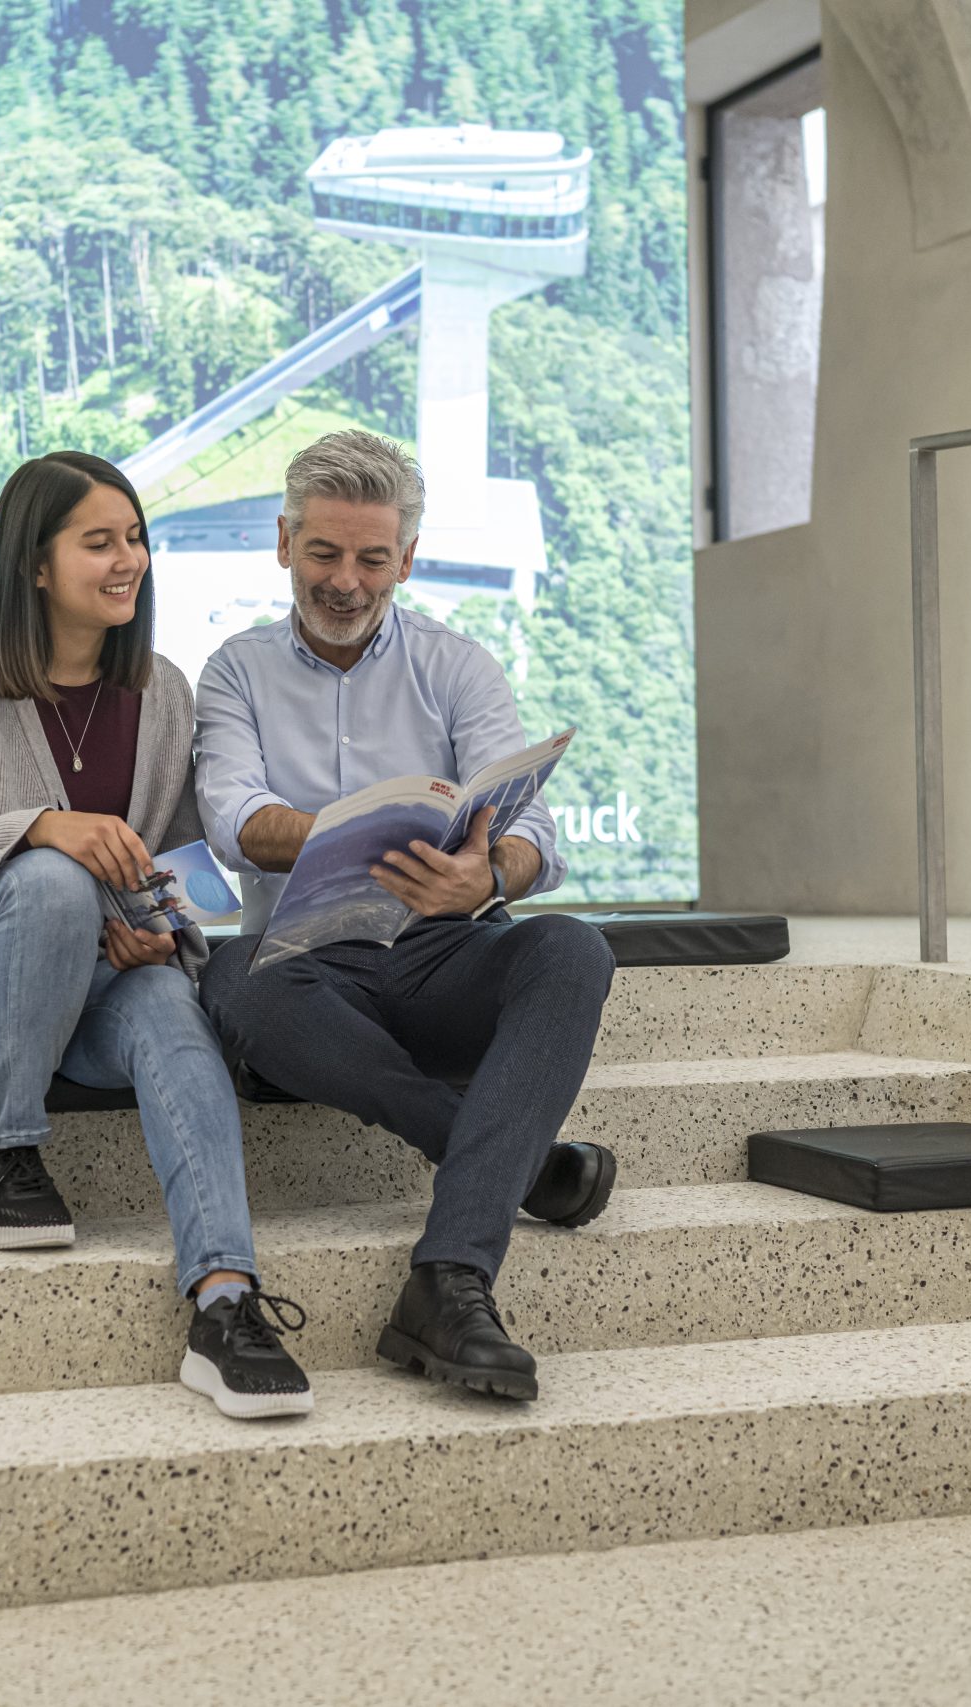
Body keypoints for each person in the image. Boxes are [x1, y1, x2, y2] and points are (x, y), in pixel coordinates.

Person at [0, 451, 312, 1419]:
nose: (128, 560)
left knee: (170, 1011)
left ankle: (224, 1303)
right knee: (53, 879)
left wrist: (162, 933)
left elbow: (185, 868)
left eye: (135, 538)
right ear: (35, 564)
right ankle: (6, 1157)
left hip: (95, 986)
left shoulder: (164, 692)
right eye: (99, 542)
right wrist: (36, 828)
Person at [194, 430, 617, 1403]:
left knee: (572, 950)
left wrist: (488, 874)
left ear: (408, 560)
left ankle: (449, 1277)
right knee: (230, 981)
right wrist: (351, 836)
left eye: (372, 559)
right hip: (305, 968)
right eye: (323, 552)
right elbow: (235, 821)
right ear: (283, 542)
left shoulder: (458, 665)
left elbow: (534, 834)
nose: (345, 581)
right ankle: (510, 1161)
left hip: (440, 956)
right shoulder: (234, 670)